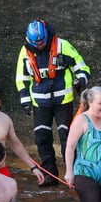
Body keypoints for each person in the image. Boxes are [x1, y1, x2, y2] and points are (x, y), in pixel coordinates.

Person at [15, 19, 91, 186]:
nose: (40, 45)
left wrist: (80, 80)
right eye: (36, 42)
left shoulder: (63, 46)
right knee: (42, 138)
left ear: (47, 36)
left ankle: (74, 175)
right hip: (40, 103)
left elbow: (82, 67)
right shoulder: (25, 52)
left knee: (67, 137)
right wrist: (25, 101)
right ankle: (50, 175)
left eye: (42, 41)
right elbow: (22, 78)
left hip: (63, 100)